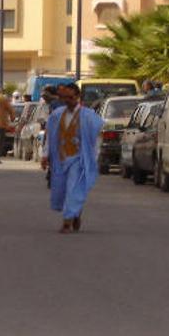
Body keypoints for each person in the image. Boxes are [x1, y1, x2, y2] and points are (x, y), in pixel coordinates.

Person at [40, 83, 103, 233]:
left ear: (77, 97)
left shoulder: (89, 116)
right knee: (61, 190)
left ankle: (67, 222)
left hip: (79, 159)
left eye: (70, 97)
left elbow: (97, 139)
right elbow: (50, 137)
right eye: (63, 97)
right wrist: (45, 155)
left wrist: (93, 159)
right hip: (61, 159)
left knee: (73, 189)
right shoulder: (56, 115)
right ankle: (75, 212)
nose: (67, 100)